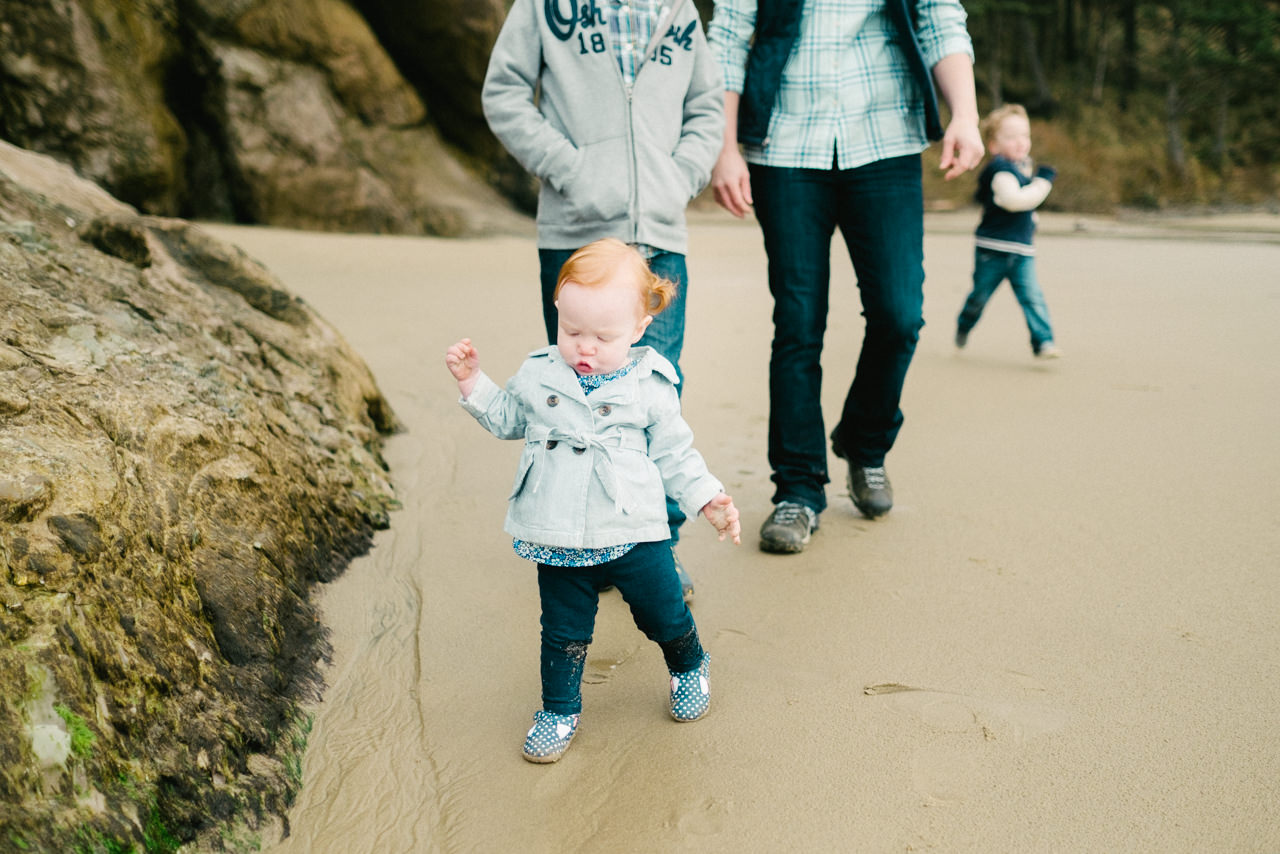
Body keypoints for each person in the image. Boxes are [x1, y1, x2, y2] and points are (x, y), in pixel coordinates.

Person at [445, 238, 741, 764]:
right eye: (572, 331)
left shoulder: (651, 385)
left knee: (662, 612)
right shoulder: (540, 372)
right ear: (557, 312)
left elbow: (676, 454)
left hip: (633, 528)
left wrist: (707, 498)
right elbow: (511, 420)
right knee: (562, 630)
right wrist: (474, 384)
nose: (584, 348)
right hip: (556, 530)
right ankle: (559, 709)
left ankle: (689, 664)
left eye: (603, 337)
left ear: (638, 329)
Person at [706, 0, 984, 553]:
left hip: (886, 139)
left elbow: (939, 17)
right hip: (783, 146)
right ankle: (798, 489)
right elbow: (730, 39)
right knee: (799, 322)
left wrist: (967, 115)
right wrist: (724, 148)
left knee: (899, 315)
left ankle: (865, 444)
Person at [482, 0, 725, 597]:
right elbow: (504, 93)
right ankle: (580, 540)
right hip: (575, 230)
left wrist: (678, 177)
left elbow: (707, 108)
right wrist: (573, 168)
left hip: (659, 237)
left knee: (652, 391)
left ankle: (655, 547)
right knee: (575, 388)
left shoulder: (678, 11)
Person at [955, 103, 1061, 359]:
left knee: (1032, 297)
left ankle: (1044, 341)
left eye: (1024, 136)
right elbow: (1014, 201)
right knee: (979, 297)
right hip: (992, 251)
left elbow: (1026, 208)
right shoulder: (1000, 170)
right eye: (1011, 137)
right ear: (993, 145)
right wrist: (1043, 182)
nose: (1020, 142)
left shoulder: (1022, 166)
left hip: (1022, 250)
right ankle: (964, 324)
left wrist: (1033, 221)